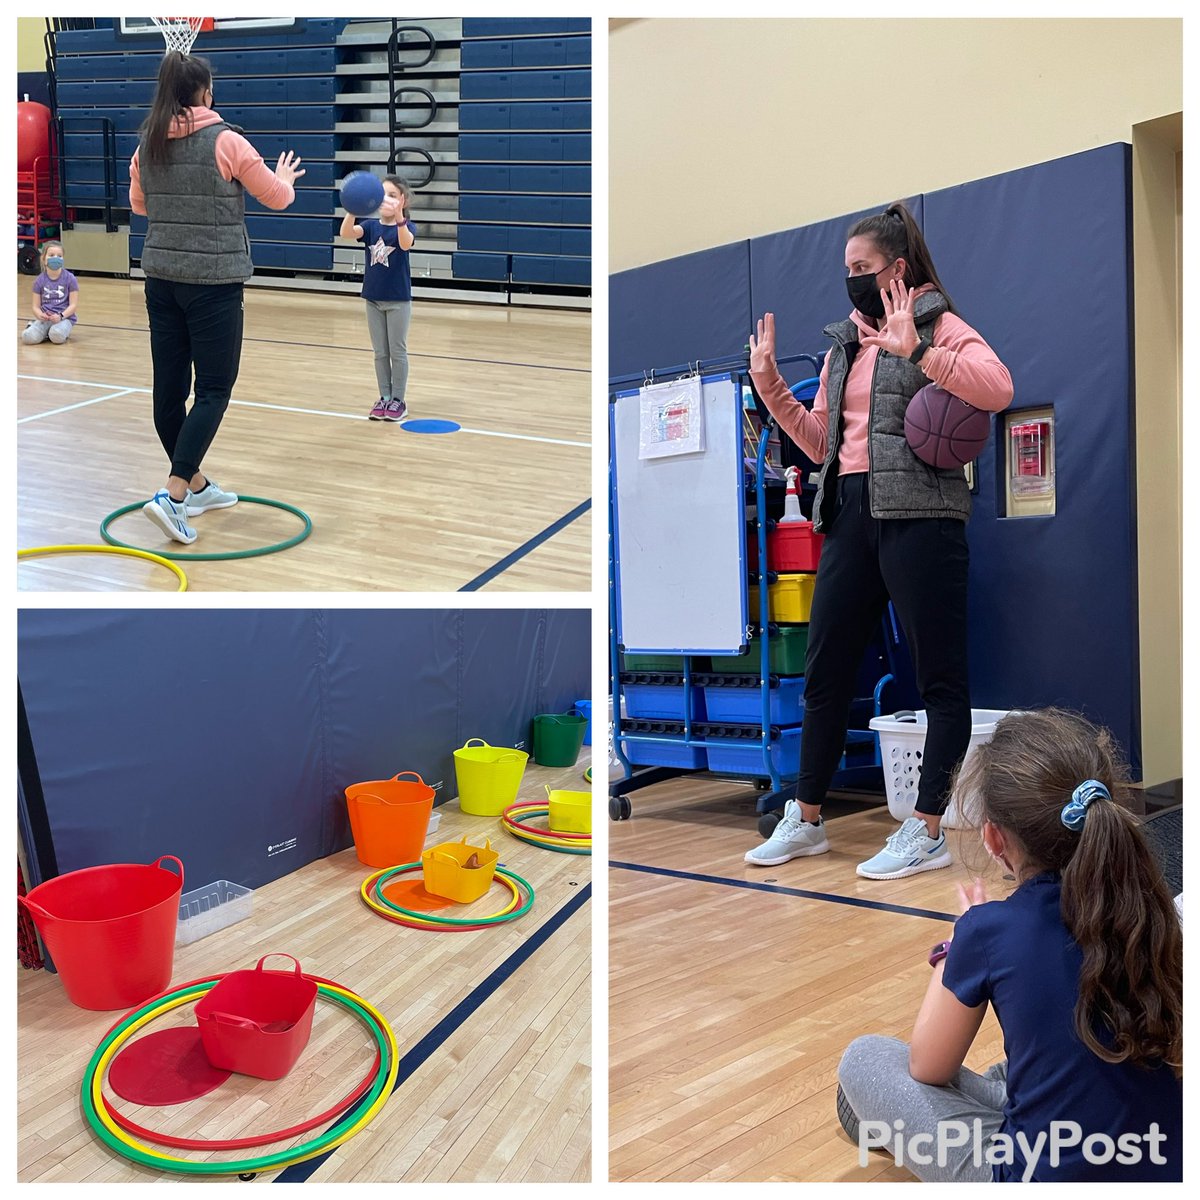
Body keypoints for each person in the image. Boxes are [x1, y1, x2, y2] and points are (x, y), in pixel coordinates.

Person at [745, 201, 1013, 878]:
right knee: (824, 674)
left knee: (940, 681)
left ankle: (925, 829)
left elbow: (998, 388)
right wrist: (772, 387)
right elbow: (818, 446)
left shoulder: (940, 324)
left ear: (896, 269)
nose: (853, 280)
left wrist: (920, 351)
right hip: (850, 514)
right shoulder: (844, 347)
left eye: (862, 268)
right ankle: (805, 819)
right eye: (847, 270)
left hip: (923, 516)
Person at [837, 709, 1183, 1182]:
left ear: (994, 837)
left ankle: (872, 1115)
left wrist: (954, 947)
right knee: (1056, 1054)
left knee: (865, 1058)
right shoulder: (1153, 910)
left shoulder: (988, 929)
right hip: (1169, 1163)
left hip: (1035, 1176)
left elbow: (927, 1066)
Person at [129, 50, 305, 545]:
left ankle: (198, 485)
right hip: (214, 283)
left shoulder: (146, 144)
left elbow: (140, 207)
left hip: (161, 278)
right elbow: (276, 197)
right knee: (212, 390)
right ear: (205, 92)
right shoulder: (227, 140)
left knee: (168, 391)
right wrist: (285, 179)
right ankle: (174, 493)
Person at [338, 176, 416, 421]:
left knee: (397, 351)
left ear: (402, 200)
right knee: (380, 352)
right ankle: (384, 397)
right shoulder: (371, 226)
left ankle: (398, 400)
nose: (387, 200)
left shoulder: (406, 227)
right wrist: (353, 208)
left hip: (398, 300)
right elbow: (346, 233)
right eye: (383, 194)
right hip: (372, 298)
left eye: (393, 195)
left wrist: (401, 218)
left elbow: (405, 244)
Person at [22, 242, 78, 344]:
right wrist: (40, 315)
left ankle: (55, 331)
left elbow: (73, 305)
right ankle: (38, 326)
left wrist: (60, 316)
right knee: (27, 337)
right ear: (43, 259)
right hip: (45, 319)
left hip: (64, 318)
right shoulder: (39, 281)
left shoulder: (70, 278)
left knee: (57, 336)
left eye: (59, 256)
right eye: (51, 255)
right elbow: (35, 306)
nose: (55, 258)